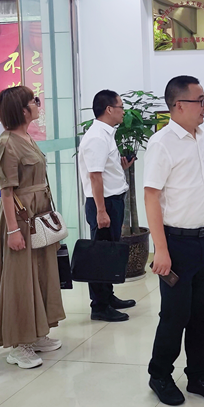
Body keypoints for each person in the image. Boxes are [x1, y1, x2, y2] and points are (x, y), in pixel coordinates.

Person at [143, 76, 204, 406]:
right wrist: (160, 250)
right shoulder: (162, 143)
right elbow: (151, 197)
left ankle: (198, 375)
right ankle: (160, 375)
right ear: (179, 105)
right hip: (176, 244)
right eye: (200, 100)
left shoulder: (200, 135)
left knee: (202, 315)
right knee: (175, 316)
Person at [0, 86, 65, 369]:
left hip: (37, 215)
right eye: (34, 101)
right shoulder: (7, 143)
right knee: (20, 279)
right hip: (20, 218)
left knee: (40, 273)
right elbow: (6, 191)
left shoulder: (27, 137)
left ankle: (37, 333)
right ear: (22, 110)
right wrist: (12, 230)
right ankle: (20, 345)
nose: (38, 104)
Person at [78, 90, 136, 322]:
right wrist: (101, 211)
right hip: (103, 203)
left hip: (111, 201)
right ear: (109, 109)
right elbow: (95, 177)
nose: (123, 111)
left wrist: (120, 167)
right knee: (100, 255)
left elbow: (103, 171)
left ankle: (108, 296)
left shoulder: (106, 134)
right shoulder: (97, 137)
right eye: (120, 107)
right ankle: (99, 306)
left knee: (109, 252)